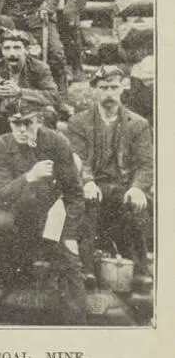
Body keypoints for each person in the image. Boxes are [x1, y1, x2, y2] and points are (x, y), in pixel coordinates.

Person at [0, 95, 86, 325]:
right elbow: (0, 195)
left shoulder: (57, 142)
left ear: (39, 120)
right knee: (1, 225)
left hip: (48, 214)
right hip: (14, 212)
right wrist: (29, 177)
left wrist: (70, 233)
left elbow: (74, 193)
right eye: (16, 123)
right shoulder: (0, 146)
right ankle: (2, 289)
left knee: (70, 260)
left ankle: (79, 328)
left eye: (28, 123)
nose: (22, 130)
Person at [66, 66, 153, 282]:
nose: (109, 93)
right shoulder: (79, 122)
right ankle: (86, 271)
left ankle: (140, 269)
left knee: (138, 205)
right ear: (94, 89)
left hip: (124, 186)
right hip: (93, 185)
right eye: (103, 87)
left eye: (114, 87)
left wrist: (137, 187)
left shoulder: (138, 124)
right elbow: (78, 157)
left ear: (122, 89)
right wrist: (86, 181)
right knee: (86, 203)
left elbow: (146, 164)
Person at [0, 29, 61, 139]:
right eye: (7, 48)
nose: (12, 53)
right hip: (1, 115)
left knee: (48, 112)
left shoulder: (39, 68)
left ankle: (41, 148)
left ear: (26, 50)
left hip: (29, 113)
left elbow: (53, 96)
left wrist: (20, 92)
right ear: (2, 51)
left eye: (17, 48)